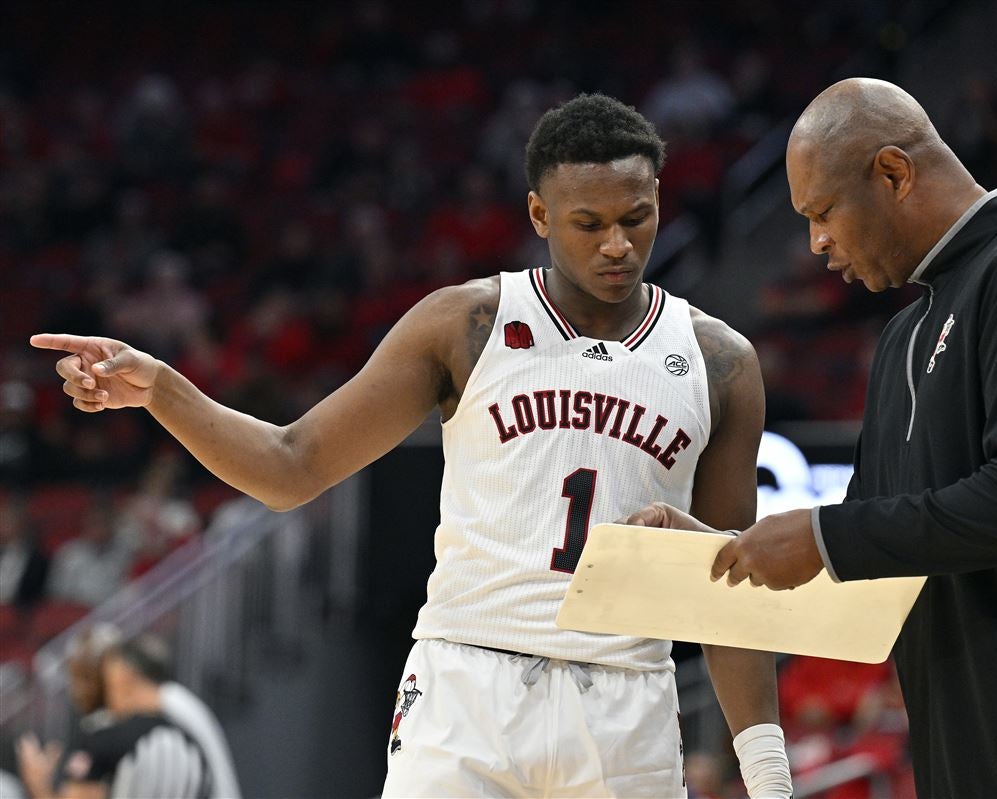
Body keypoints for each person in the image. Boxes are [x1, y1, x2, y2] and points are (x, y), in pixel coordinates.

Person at [31, 93, 792, 798]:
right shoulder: (464, 322)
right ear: (539, 213)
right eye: (589, 223)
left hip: (629, 699)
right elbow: (291, 465)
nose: (618, 244)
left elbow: (731, 584)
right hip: (469, 683)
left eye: (638, 216)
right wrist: (165, 388)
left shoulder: (718, 360)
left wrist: (767, 773)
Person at [627, 78, 997, 797]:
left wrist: (825, 537)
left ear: (893, 172)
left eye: (823, 211)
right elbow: (866, 554)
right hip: (972, 763)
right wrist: (719, 550)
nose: (816, 244)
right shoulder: (904, 334)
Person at [17, 626, 215, 799]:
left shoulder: (106, 738)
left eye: (85, 677)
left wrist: (38, 786)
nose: (77, 690)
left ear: (122, 676)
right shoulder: (180, 732)